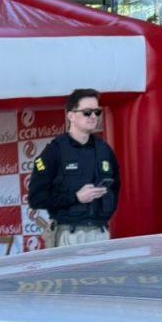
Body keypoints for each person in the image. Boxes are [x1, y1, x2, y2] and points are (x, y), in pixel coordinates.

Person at [27, 89, 121, 248]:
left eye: (97, 112)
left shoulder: (105, 150)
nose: (93, 116)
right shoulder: (55, 151)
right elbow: (36, 198)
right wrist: (76, 197)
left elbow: (116, 187)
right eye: (87, 112)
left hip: (101, 234)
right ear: (70, 115)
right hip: (69, 236)